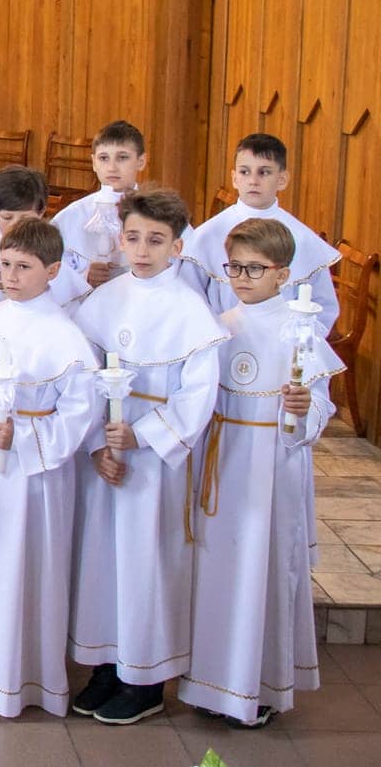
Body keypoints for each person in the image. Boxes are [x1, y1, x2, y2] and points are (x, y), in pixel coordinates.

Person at [178, 219, 341, 728]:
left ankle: (261, 688)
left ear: (283, 274)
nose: (242, 277)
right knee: (217, 573)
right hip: (221, 464)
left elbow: (317, 409)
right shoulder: (219, 323)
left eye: (254, 268)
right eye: (235, 267)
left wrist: (298, 411)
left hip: (270, 470)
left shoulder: (300, 332)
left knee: (262, 573)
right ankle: (212, 683)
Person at [69, 188, 224, 725]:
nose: (141, 249)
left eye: (155, 240)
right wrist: (95, 445)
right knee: (102, 563)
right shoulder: (104, 300)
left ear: (177, 247)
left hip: (153, 462)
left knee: (145, 563)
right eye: (132, 237)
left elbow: (197, 394)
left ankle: (147, 678)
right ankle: (107, 665)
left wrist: (142, 436)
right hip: (106, 455)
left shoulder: (190, 310)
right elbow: (81, 377)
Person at [0, 218, 99, 717]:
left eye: (24, 267)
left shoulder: (66, 335)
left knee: (23, 566)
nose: (10, 275)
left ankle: (23, 678)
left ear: (52, 270)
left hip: (34, 474)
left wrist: (27, 437)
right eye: (4, 264)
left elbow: (79, 412)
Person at [180, 133, 340, 333]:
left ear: (282, 179)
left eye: (264, 173)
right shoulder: (208, 235)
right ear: (234, 178)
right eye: (245, 172)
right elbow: (188, 293)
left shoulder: (303, 238)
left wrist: (296, 343)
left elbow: (323, 305)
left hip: (280, 343)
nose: (253, 181)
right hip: (222, 339)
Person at [0, 166, 89, 320]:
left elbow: (71, 314)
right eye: (7, 217)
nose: (16, 227)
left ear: (41, 212)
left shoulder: (52, 260)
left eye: (25, 219)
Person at [53, 120, 152, 288]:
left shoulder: (159, 212)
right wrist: (84, 276)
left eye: (122, 158)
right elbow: (50, 269)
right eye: (104, 158)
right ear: (94, 162)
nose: (112, 167)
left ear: (141, 161)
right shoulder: (72, 215)